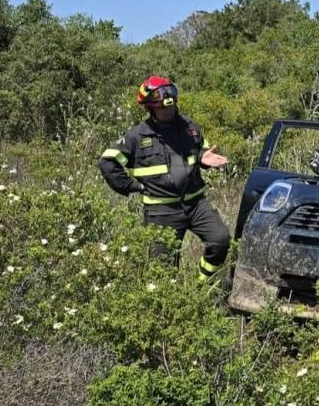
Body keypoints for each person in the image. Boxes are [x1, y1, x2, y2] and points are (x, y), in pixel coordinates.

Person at [97, 75, 230, 282]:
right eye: (162, 107)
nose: (168, 110)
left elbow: (201, 147)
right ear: (149, 108)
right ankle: (172, 306)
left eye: (170, 105)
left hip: (196, 204)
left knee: (220, 240)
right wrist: (131, 185)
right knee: (164, 271)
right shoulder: (137, 136)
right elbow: (107, 162)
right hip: (161, 211)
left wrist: (203, 156)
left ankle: (202, 286)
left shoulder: (189, 126)